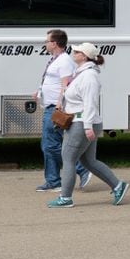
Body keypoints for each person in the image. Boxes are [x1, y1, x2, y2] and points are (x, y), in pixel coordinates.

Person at [47, 42, 129, 208]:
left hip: (81, 122)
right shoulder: (82, 73)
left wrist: (87, 126)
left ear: (83, 56)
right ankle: (118, 186)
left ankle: (65, 198)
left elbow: (90, 103)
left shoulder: (89, 76)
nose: (73, 52)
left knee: (68, 158)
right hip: (81, 121)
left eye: (76, 51)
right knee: (89, 162)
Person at [34, 30, 91, 192]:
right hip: (50, 106)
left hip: (55, 108)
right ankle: (57, 178)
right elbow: (50, 81)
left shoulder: (64, 61)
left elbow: (66, 84)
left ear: (55, 43)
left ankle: (73, 172)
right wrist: (39, 92)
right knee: (54, 144)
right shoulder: (54, 59)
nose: (45, 43)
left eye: (47, 40)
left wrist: (60, 104)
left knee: (49, 145)